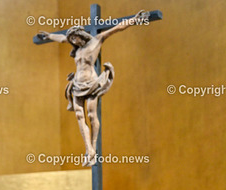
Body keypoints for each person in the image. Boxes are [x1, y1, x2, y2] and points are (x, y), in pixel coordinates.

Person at [37, 10, 148, 166]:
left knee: (91, 114)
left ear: (80, 35)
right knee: (79, 115)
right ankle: (88, 149)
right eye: (71, 39)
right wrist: (49, 36)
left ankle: (94, 146)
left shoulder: (96, 40)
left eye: (74, 38)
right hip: (77, 84)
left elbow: (117, 28)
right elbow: (62, 39)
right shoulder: (77, 48)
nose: (73, 41)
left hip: (91, 84)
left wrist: (135, 20)